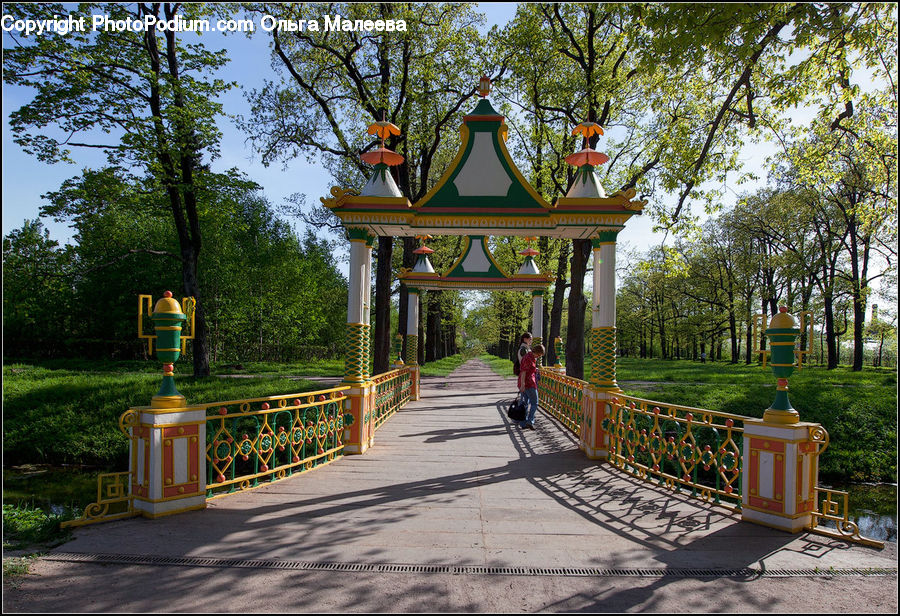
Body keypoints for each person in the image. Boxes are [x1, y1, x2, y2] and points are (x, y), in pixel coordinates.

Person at [518, 343, 544, 430]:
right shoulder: (529, 358)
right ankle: (530, 421)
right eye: (539, 355)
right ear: (536, 352)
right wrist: (522, 385)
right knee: (535, 402)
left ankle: (523, 423)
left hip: (526, 383)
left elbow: (527, 370)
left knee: (524, 403)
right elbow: (524, 372)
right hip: (529, 383)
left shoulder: (530, 357)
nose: (539, 356)